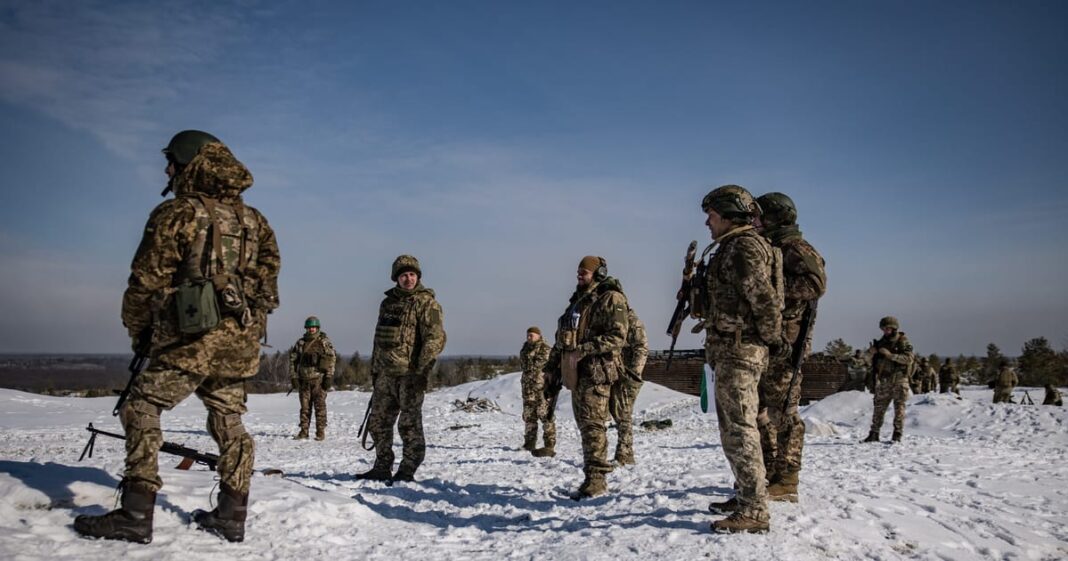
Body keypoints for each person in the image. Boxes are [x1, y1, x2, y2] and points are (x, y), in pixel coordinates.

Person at [74, 130, 280, 544]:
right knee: (229, 420)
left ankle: (135, 513)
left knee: (141, 407)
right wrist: (241, 325)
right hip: (239, 342)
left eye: (172, 162)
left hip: (188, 339)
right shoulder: (255, 220)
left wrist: (141, 332)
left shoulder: (177, 213)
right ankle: (232, 515)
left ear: (190, 164)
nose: (167, 170)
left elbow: (145, 282)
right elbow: (268, 290)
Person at [699, 185, 783, 534]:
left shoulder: (744, 246)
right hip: (733, 349)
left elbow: (764, 300)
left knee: (739, 430)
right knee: (735, 428)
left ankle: (754, 510)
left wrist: (768, 339)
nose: (707, 222)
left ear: (729, 216)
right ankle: (746, 493)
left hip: (741, 350)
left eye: (712, 216)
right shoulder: (733, 246)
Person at [753, 192, 826, 504]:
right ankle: (770, 471)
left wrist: (773, 293)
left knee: (784, 412)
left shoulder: (795, 246)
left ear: (773, 217)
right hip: (771, 341)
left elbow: (815, 284)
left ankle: (788, 477)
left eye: (758, 216)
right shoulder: (771, 246)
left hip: (788, 343)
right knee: (763, 410)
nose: (753, 221)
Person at [543, 256, 630, 500]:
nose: (579, 276)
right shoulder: (578, 303)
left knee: (593, 426)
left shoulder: (611, 298)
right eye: (578, 272)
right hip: (575, 373)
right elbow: (562, 339)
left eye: (584, 272)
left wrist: (585, 349)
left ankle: (597, 480)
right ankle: (591, 477)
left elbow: (618, 337)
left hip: (597, 371)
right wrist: (551, 368)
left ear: (598, 273)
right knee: (585, 426)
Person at [357, 255, 445, 482]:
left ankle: (407, 470)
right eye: (404, 275)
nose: (409, 279)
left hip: (410, 375)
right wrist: (375, 372)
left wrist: (421, 370)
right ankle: (382, 466)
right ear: (397, 278)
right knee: (378, 423)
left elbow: (434, 339)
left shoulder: (426, 303)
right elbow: (378, 341)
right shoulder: (388, 304)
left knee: (409, 425)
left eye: (412, 275)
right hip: (386, 375)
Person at [862, 317, 913, 444]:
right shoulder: (880, 342)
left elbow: (909, 359)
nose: (885, 331)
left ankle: (897, 433)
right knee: (878, 407)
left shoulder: (903, 342)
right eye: (883, 329)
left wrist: (890, 356)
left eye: (888, 328)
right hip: (884, 380)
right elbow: (865, 360)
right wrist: (870, 353)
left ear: (894, 328)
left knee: (899, 408)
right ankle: (874, 433)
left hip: (899, 379)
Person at [609, 306, 648, 465]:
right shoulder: (610, 320)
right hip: (611, 372)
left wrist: (633, 374)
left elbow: (641, 348)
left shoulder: (631, 320)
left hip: (627, 375)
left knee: (624, 413)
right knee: (616, 412)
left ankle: (625, 454)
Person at [288, 316, 336, 440]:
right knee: (305, 408)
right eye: (309, 327)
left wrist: (328, 377)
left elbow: (331, 360)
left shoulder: (324, 342)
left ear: (317, 328)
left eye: (313, 327)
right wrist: (293, 377)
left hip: (319, 380)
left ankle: (320, 432)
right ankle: (304, 431)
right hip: (304, 380)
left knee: (320, 407)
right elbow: (293, 361)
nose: (311, 330)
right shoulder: (300, 343)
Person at [519, 326, 555, 456]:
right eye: (528, 335)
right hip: (528, 389)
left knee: (545, 416)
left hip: (542, 389)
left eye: (532, 335)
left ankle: (549, 444)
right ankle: (529, 443)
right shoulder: (525, 349)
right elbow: (524, 366)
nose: (529, 337)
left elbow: (536, 365)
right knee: (529, 417)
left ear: (539, 336)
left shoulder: (545, 348)